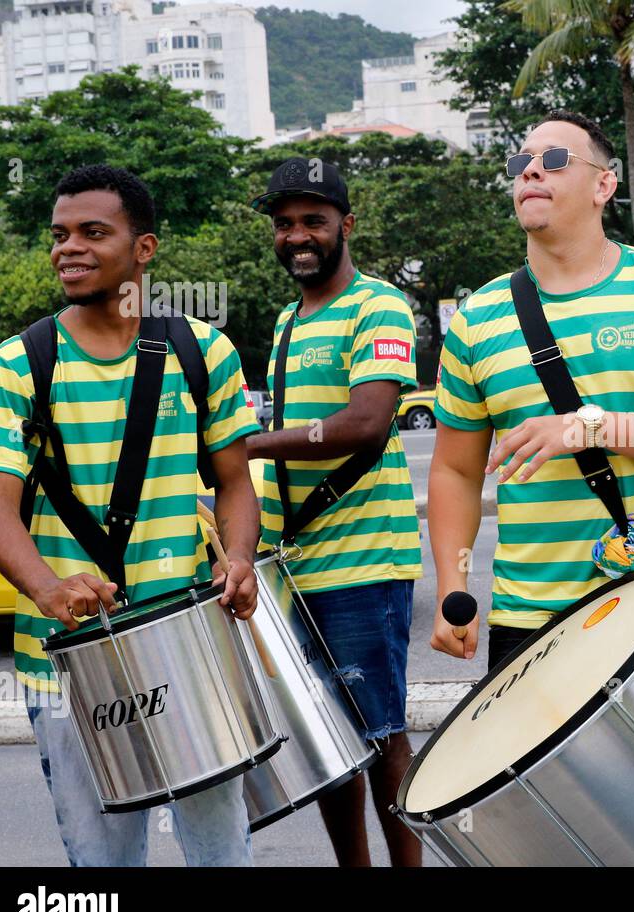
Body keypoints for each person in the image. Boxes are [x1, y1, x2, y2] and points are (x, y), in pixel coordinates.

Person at [0, 165, 261, 866]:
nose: (68, 247)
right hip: (67, 665)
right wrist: (48, 589)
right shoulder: (21, 364)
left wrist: (243, 556)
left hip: (190, 648)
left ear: (144, 248)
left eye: (92, 232)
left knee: (220, 853)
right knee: (103, 869)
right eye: (59, 234)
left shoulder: (202, 350)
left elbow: (235, 484)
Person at [429, 109, 634, 669]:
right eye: (521, 163)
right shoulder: (475, 320)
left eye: (554, 160)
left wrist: (592, 427)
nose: (530, 172)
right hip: (532, 620)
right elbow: (455, 470)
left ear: (605, 184)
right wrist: (450, 589)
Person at [248, 159, 422, 867]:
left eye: (313, 221)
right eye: (285, 224)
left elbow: (366, 424)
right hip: (297, 565)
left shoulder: (377, 306)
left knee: (379, 732)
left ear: (346, 226)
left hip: (366, 559)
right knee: (326, 740)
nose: (297, 236)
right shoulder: (290, 320)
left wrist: (249, 445)